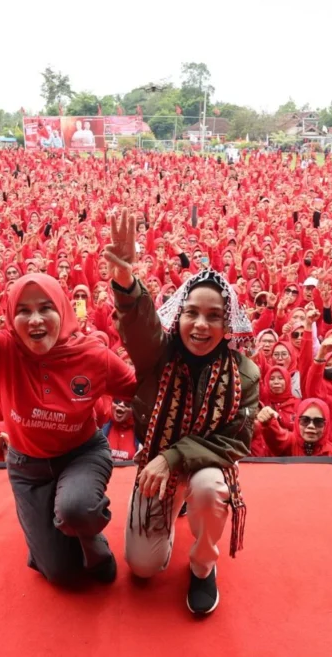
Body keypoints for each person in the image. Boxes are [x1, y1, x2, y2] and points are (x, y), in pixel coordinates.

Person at [0, 223, 136, 587]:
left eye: (46, 308)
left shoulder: (94, 357)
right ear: (11, 319)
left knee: (77, 510)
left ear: (64, 311)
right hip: (27, 466)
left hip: (81, 454)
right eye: (24, 311)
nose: (35, 320)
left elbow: (141, 391)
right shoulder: (3, 352)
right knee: (61, 575)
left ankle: (92, 539)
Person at [105, 209, 258, 615]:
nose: (201, 325)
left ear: (228, 325)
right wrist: (125, 280)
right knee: (142, 567)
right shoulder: (159, 353)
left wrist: (172, 456)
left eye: (214, 316)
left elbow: (235, 441)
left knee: (209, 488)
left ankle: (203, 566)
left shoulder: (245, 374)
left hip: (198, 464)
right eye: (192, 312)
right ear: (179, 315)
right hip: (156, 465)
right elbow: (139, 327)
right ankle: (173, 513)